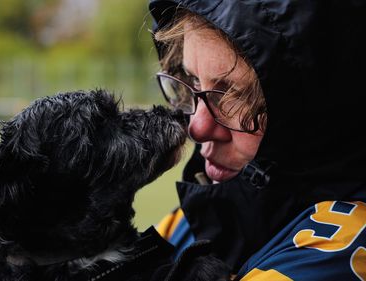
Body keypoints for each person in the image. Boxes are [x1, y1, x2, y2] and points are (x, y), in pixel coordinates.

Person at [148, 0, 366, 279]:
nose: (197, 127)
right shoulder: (201, 212)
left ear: (317, 111)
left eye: (235, 96)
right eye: (194, 81)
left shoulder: (339, 248)